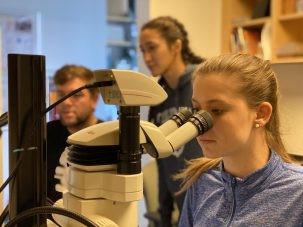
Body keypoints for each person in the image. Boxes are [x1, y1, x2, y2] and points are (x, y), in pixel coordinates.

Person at [177, 53, 303, 226]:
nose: (201, 124)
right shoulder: (201, 181)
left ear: (261, 114)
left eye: (216, 110)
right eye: (197, 109)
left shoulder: (298, 193)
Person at [139, 16, 205, 226]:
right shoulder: (157, 98)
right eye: (142, 50)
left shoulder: (203, 85)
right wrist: (163, 215)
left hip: (210, 200)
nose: (147, 57)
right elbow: (161, 160)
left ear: (176, 46)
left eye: (152, 48)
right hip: (180, 206)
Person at [47, 64, 102, 203]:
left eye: (76, 95)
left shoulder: (109, 139)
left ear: (94, 100)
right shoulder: (44, 134)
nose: (66, 102)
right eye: (60, 95)